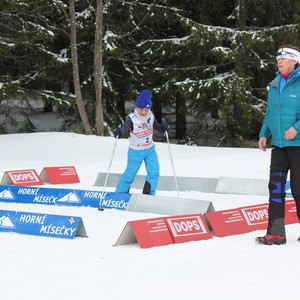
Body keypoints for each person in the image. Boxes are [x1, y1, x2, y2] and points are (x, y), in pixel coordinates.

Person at [256, 44, 300, 245]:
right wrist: (264, 134)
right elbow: (270, 113)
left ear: (294, 61)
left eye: (283, 58)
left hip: (298, 146)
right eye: (277, 58)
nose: (279, 61)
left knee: (298, 190)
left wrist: (297, 128)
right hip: (280, 147)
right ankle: (276, 233)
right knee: (275, 188)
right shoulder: (274, 85)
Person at [113, 89, 169, 195]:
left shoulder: (150, 115)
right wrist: (120, 131)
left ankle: (149, 194)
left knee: (154, 172)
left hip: (150, 150)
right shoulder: (132, 118)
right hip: (136, 151)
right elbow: (125, 127)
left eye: (145, 110)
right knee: (130, 174)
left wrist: (162, 128)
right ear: (136, 107)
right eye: (140, 110)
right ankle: (120, 193)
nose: (143, 112)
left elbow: (155, 125)